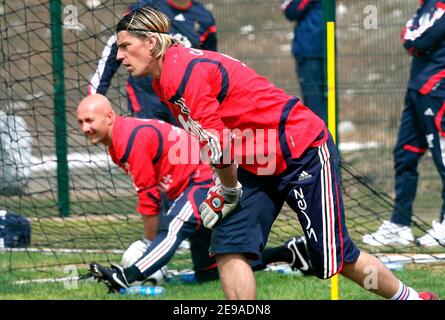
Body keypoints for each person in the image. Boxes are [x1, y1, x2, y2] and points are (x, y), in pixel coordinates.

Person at [107, 7, 438, 300]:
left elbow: (218, 145)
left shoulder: (181, 73)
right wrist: (222, 185)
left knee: (335, 255)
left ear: (150, 43)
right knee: (227, 245)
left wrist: (226, 189)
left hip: (301, 151)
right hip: (256, 161)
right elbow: (213, 138)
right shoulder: (165, 76)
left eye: (125, 46)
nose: (119, 55)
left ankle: (411, 299)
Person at [78, 95, 313, 291]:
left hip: (202, 178)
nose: (84, 128)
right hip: (189, 184)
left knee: (172, 227)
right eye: (80, 122)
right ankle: (289, 253)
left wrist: (147, 245)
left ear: (109, 117)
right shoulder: (118, 141)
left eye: (89, 120)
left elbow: (149, 201)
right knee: (211, 270)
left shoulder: (128, 139)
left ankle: (126, 276)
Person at [362, 0, 445, 247]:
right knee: (404, 155)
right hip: (416, 88)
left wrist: (413, 38)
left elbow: (416, 39)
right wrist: (412, 37)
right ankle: (400, 224)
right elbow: (411, 35)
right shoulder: (426, 5)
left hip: (437, 89)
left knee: (442, 158)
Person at [88, 0, 217, 124]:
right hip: (146, 97)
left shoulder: (204, 18)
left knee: (185, 145)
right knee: (149, 143)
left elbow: (208, 63)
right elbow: (117, 44)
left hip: (184, 100)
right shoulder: (144, 7)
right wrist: (97, 93)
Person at [281, 0, 327, 123]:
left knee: (317, 100)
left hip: (313, 48)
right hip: (319, 47)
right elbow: (290, 10)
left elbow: (290, 10)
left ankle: (321, 138)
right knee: (320, 99)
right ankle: (324, 137)